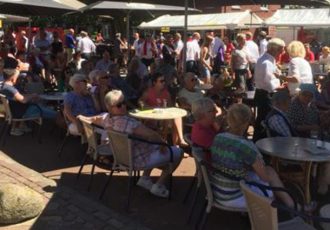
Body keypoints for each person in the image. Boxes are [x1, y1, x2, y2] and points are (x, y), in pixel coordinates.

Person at [210, 103, 294, 209]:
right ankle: (291, 206)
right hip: (234, 196)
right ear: (247, 122)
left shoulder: (218, 138)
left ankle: (291, 204)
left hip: (217, 189)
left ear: (229, 120)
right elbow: (264, 177)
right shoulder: (246, 146)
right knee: (269, 173)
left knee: (266, 172)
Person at [103, 89, 183, 198]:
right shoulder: (128, 122)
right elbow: (152, 135)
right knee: (178, 152)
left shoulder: (107, 119)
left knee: (152, 145)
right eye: (119, 105)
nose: (123, 106)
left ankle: (145, 178)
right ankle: (159, 185)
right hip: (138, 160)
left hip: (122, 157)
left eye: (124, 103)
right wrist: (164, 144)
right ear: (109, 107)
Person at [0, 57, 56, 136]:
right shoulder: (11, 89)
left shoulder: (4, 86)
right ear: (12, 77)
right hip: (22, 112)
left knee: (42, 106)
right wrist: (32, 95)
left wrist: (30, 96)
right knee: (52, 113)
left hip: (17, 110)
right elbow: (23, 100)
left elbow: (19, 97)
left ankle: (22, 126)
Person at [253, 38, 285, 142]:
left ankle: (260, 142)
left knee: (263, 119)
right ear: (274, 49)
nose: (283, 52)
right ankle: (260, 143)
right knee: (264, 120)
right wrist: (280, 86)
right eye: (281, 50)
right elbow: (267, 82)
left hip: (264, 93)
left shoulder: (268, 59)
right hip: (265, 94)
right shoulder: (266, 62)